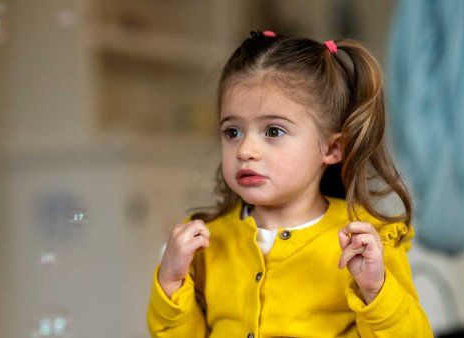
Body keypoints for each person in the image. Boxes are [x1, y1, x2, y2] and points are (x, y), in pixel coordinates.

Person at [146, 30, 433, 337]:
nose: (245, 150)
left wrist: (376, 290)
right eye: (233, 132)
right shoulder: (206, 240)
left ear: (333, 148)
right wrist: (171, 281)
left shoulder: (368, 240)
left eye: (273, 131)